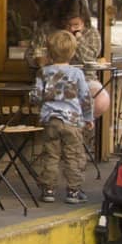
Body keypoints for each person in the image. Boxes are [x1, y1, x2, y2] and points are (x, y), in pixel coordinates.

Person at [30, 29, 93, 204]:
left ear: (49, 52)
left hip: (51, 120)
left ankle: (48, 189)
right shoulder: (77, 74)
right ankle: (73, 190)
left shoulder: (43, 72)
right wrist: (88, 119)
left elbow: (36, 96)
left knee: (51, 154)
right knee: (73, 155)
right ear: (72, 53)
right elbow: (86, 98)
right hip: (72, 121)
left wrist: (37, 103)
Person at [28, 0, 111, 120]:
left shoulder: (91, 32)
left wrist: (77, 38)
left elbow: (89, 58)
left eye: (76, 24)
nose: (71, 28)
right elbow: (32, 55)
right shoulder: (47, 29)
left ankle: (79, 127)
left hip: (85, 78)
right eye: (67, 24)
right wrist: (39, 60)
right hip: (53, 78)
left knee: (100, 100)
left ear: (83, 21)